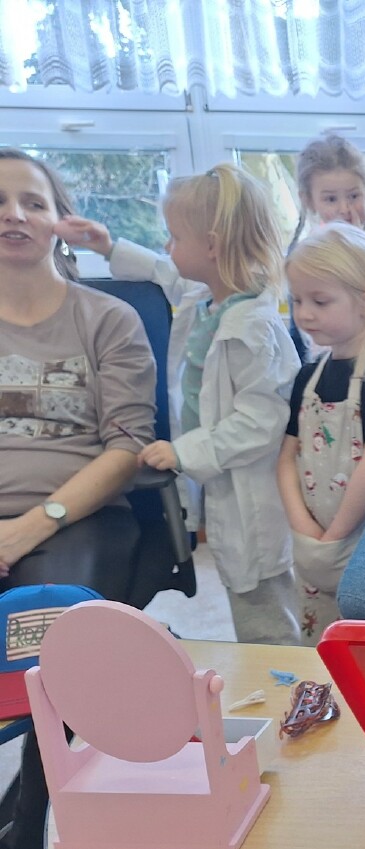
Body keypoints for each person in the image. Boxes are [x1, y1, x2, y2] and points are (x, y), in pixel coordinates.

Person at [58, 164, 303, 645]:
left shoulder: (254, 328)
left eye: (174, 237)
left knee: (262, 598)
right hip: (222, 482)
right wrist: (107, 247)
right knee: (241, 583)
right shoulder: (208, 299)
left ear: (212, 246)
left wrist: (183, 452)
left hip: (251, 493)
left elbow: (261, 423)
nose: (167, 247)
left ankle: (286, 675)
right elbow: (163, 272)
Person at [0, 148, 156, 849]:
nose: (13, 215)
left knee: (53, 639)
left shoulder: (108, 319)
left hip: (75, 516)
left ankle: (25, 843)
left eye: (31, 201)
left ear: (59, 220)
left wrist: (30, 527)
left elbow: (127, 447)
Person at [277, 223, 365, 644]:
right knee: (323, 639)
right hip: (316, 539)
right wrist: (305, 530)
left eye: (320, 301)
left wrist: (335, 536)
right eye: (297, 300)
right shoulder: (308, 375)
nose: (304, 313)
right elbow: (286, 458)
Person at [286, 134, 365, 361]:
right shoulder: (302, 258)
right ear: (309, 200)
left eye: (354, 196)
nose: (344, 208)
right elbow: (298, 336)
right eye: (331, 199)